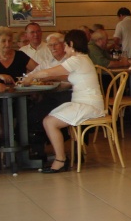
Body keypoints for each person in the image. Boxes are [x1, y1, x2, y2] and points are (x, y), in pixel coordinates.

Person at [21, 30, 104, 173]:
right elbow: (67, 77)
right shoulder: (83, 59)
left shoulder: (76, 59)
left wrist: (32, 76)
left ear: (71, 44)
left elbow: (50, 71)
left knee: (49, 122)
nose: (64, 49)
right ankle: (61, 158)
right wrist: (44, 78)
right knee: (49, 119)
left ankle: (60, 160)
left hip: (88, 105)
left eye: (65, 46)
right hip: (85, 102)